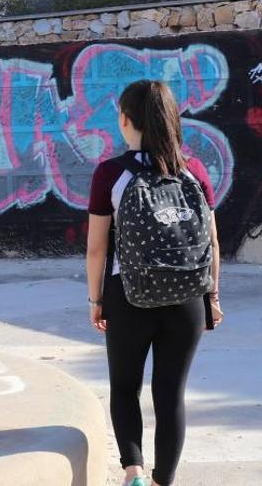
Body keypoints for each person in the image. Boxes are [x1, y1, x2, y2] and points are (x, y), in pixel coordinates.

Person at [86, 80, 224, 486]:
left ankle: (134, 472)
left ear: (126, 120)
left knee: (125, 387)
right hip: (188, 300)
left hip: (129, 296)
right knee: (170, 395)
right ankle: (164, 481)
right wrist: (211, 296)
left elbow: (96, 249)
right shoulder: (194, 170)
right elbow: (213, 242)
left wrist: (96, 299)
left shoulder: (110, 173)